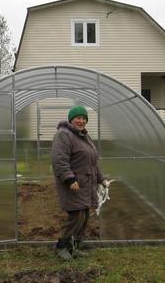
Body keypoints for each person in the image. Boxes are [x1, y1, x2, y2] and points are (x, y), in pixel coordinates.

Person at [51, 105, 108, 260]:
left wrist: (101, 178)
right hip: (73, 184)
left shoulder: (84, 136)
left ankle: (73, 248)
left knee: (84, 217)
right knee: (76, 217)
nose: (81, 121)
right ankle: (61, 247)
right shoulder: (64, 135)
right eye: (78, 118)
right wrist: (70, 179)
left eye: (84, 118)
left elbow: (92, 162)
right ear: (71, 119)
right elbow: (59, 160)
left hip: (87, 183)